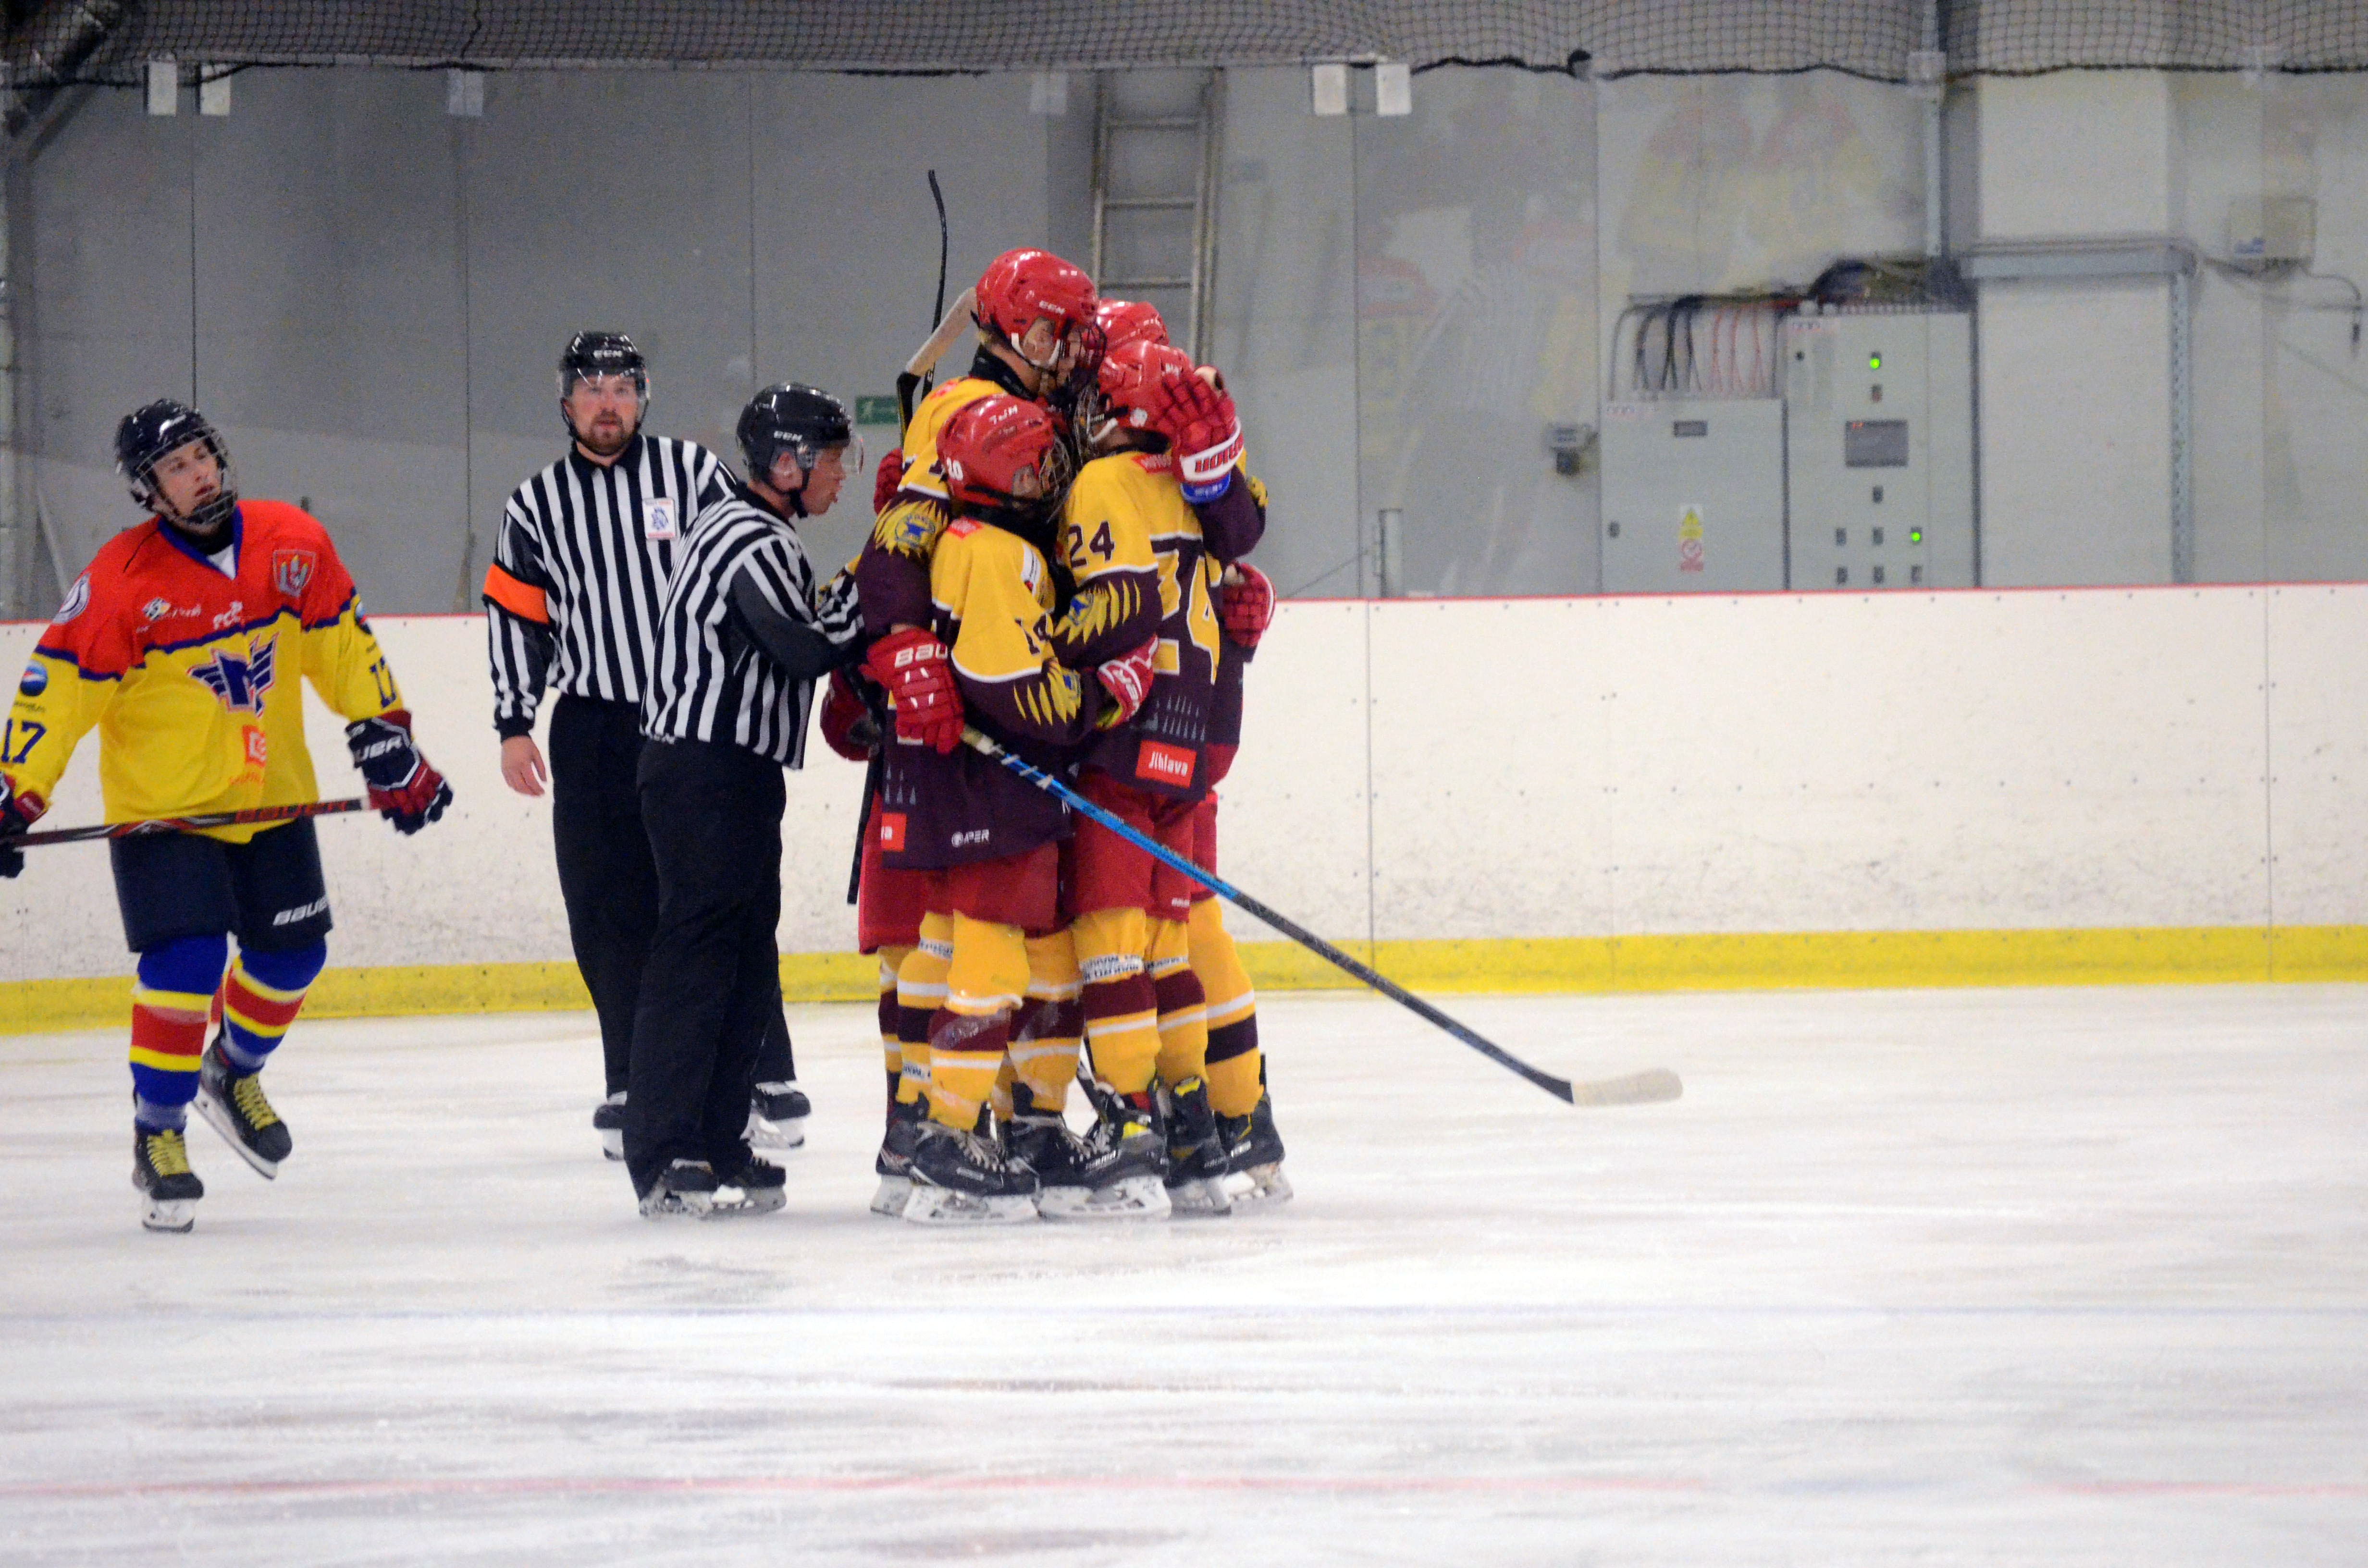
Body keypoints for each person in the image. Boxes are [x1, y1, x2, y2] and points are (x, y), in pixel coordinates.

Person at [0, 400, 451, 1232]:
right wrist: (15, 789)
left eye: (203, 456)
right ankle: (158, 1132)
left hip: (270, 795)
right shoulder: (120, 582)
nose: (199, 474)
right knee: (188, 961)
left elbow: (344, 646)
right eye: (176, 468)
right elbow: (55, 693)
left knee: (295, 956)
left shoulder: (291, 542)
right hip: (165, 814)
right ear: (147, 491)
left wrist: (385, 735)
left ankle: (231, 1071)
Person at [483, 332, 810, 1162]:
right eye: (591, 389)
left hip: (696, 719)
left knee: (725, 897)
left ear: (643, 398)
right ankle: (632, 1079)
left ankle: (764, 1068)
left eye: (622, 388)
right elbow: (518, 619)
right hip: (595, 727)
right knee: (609, 911)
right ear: (566, 404)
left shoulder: (694, 474)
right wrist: (514, 721)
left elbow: (752, 567)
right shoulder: (534, 504)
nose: (607, 403)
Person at [849, 247, 1104, 1215]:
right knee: (946, 934)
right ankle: (923, 1131)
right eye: (1046, 331)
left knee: (1015, 936)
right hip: (972, 713)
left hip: (1016, 699)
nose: (1062, 352)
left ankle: (1004, 1126)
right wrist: (901, 646)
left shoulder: (1059, 417)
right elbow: (897, 546)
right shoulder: (963, 410)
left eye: (1072, 335)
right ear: (1002, 327)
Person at [872, 393, 1155, 1225]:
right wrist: (1106, 696)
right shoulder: (997, 555)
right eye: (1043, 465)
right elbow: (1014, 686)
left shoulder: (964, 540)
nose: (1056, 477)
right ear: (1015, 475)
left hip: (958, 783)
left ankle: (992, 1131)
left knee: (966, 949)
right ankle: (947, 1140)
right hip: (988, 788)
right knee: (992, 966)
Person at [627, 383, 864, 1218]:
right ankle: (665, 1153)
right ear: (787, 463)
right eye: (831, 459)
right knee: (696, 960)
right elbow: (801, 646)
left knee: (741, 963)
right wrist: (878, 587)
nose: (841, 475)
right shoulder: (744, 535)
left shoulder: (760, 532)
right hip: (704, 775)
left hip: (735, 775)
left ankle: (718, 1141)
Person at [1048, 336, 1263, 1219]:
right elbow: (1240, 544)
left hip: (1124, 741)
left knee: (1110, 947)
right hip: (1193, 744)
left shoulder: (1103, 482)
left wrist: (1038, 649)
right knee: (1169, 950)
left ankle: (1131, 1127)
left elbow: (1112, 607)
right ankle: (1195, 1132)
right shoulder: (1196, 489)